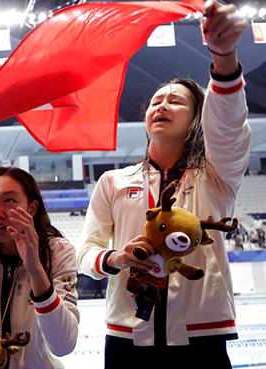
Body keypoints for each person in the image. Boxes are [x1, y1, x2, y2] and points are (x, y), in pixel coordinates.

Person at [76, 2, 249, 368]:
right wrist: (115, 257)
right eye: (156, 101)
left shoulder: (217, 177)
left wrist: (224, 58)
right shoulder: (113, 181)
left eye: (175, 101)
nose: (161, 106)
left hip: (202, 338)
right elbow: (86, 252)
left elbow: (229, 127)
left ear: (198, 118)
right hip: (126, 339)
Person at [0, 166, 79, 369]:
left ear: (32, 208)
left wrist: (35, 268)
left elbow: (63, 345)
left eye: (9, 200)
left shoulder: (59, 253)